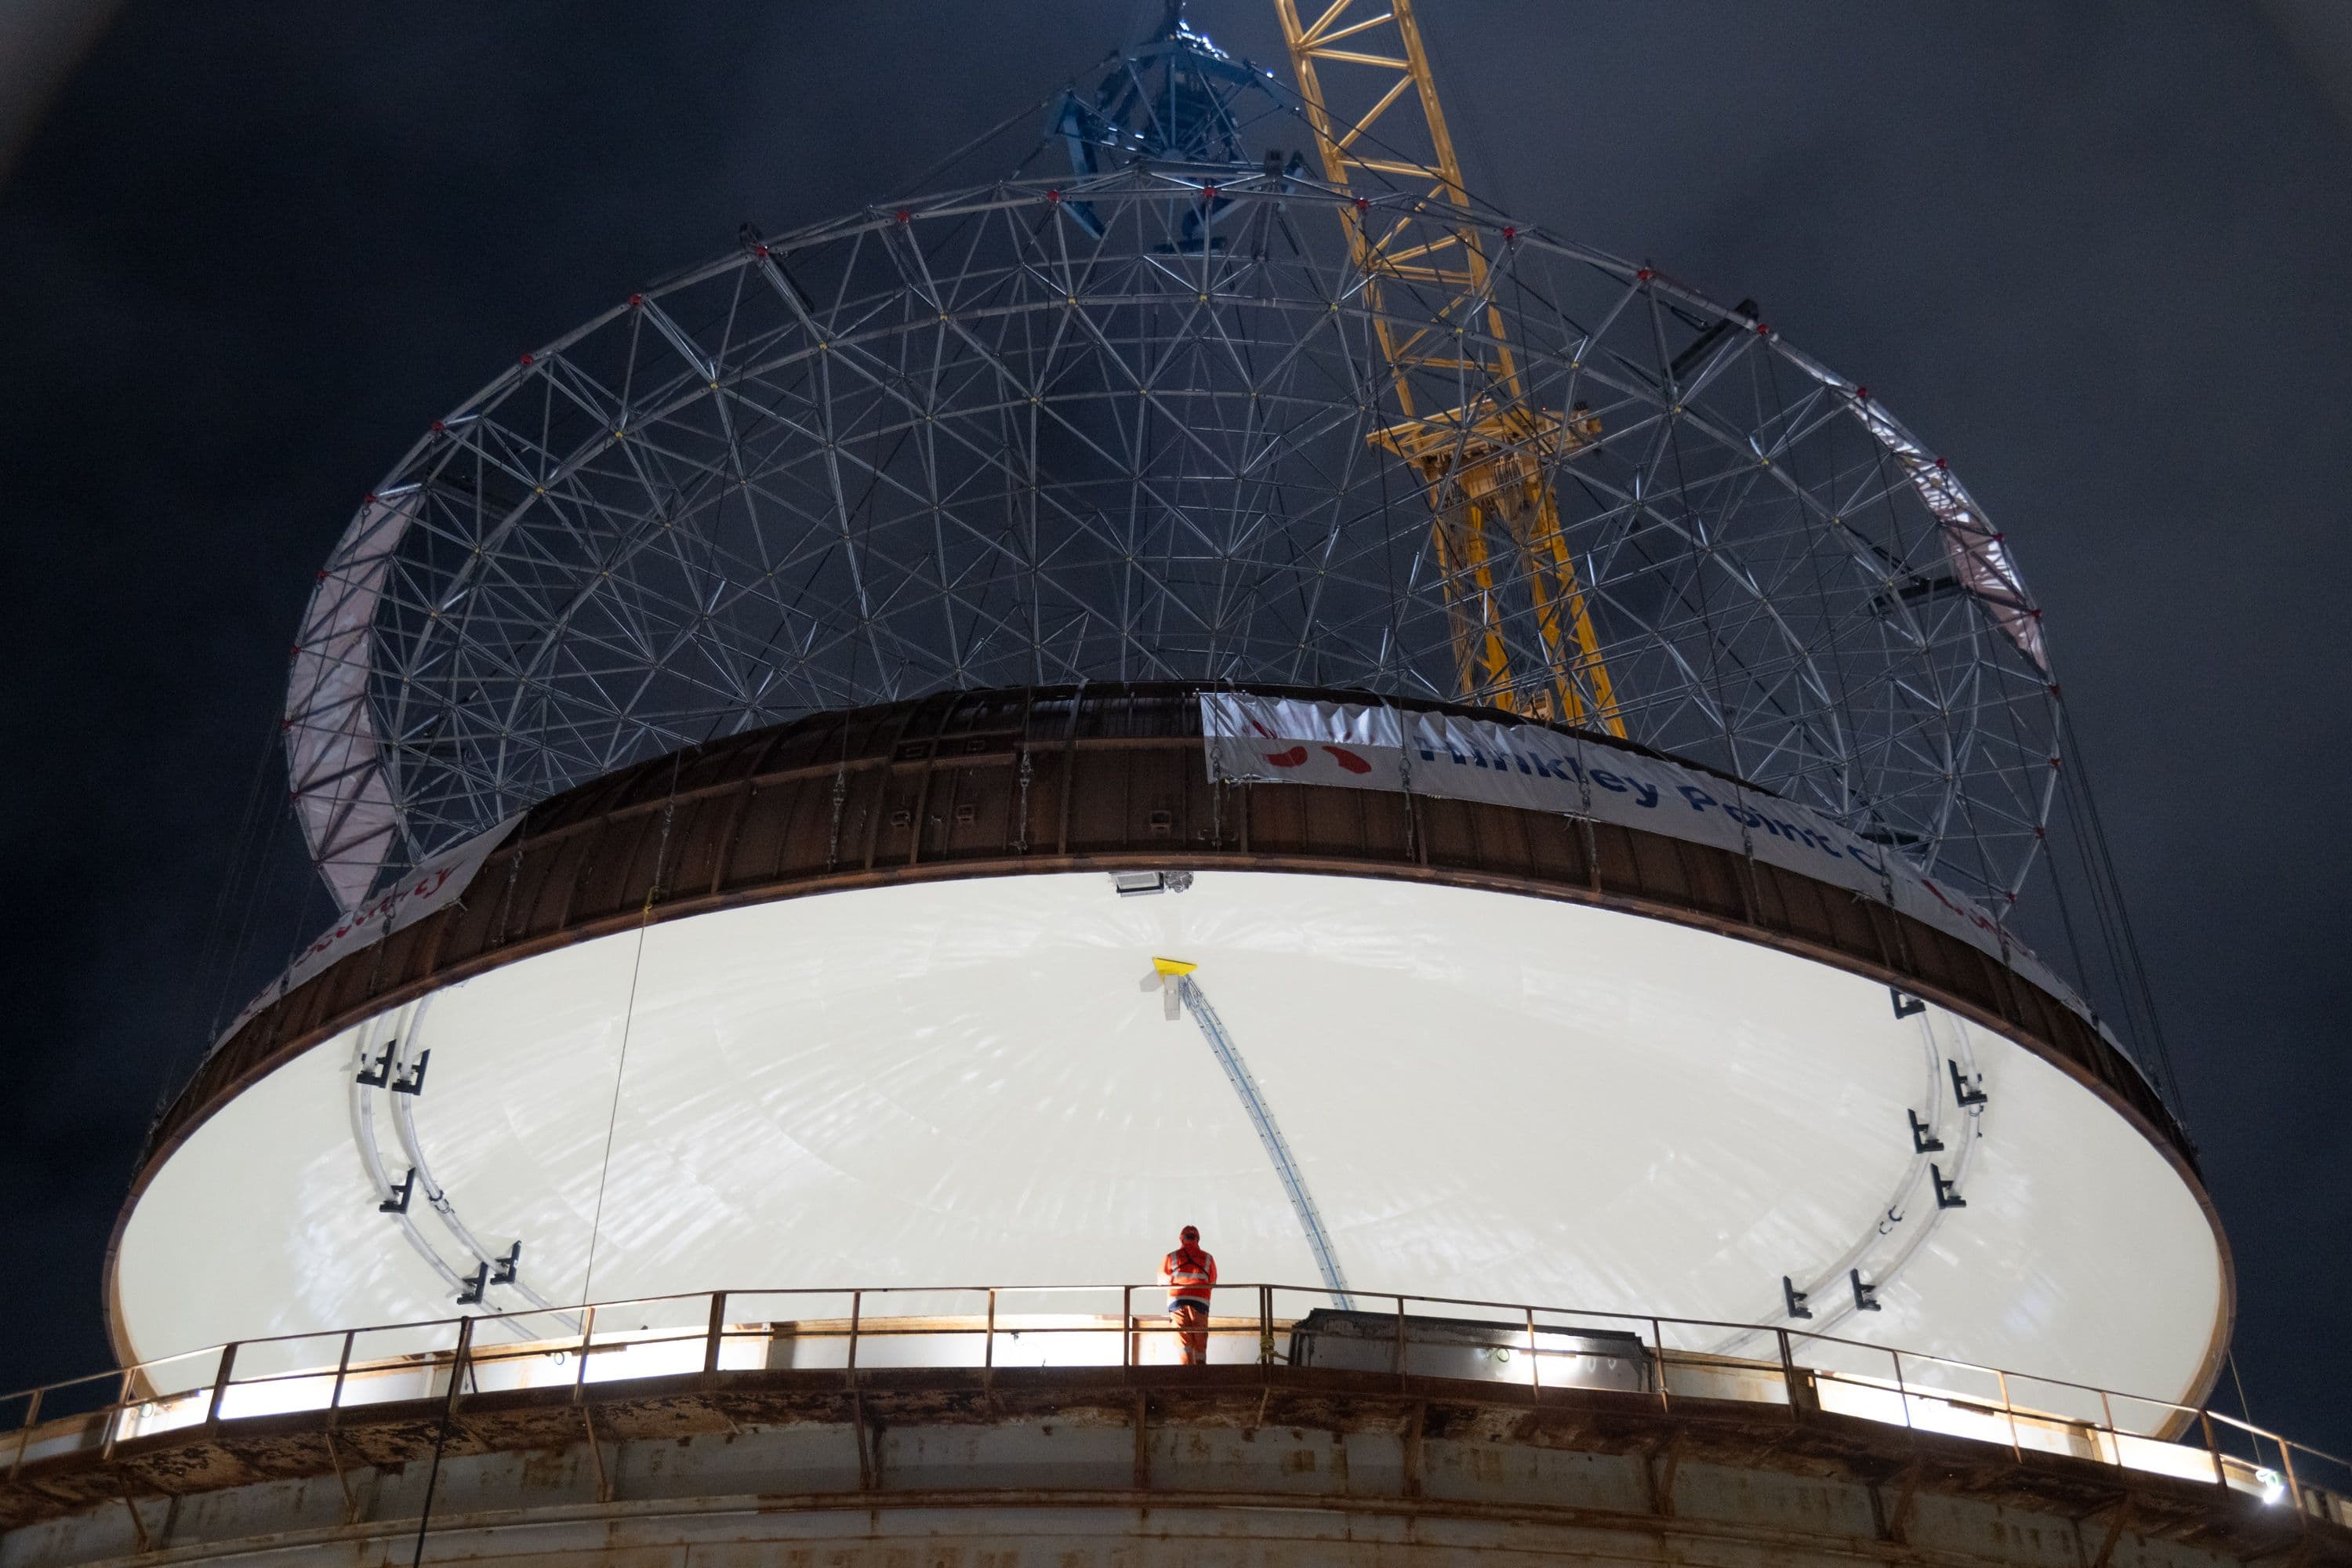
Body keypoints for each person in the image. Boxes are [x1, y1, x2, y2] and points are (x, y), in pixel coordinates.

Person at [1160, 1224, 1217, 1365]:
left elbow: (1161, 1281)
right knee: (1200, 1343)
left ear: (1181, 1239)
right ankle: (1201, 1374)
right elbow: (1213, 1281)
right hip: (1200, 1303)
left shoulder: (1171, 1257)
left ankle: (1185, 1373)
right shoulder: (1208, 1258)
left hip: (1177, 1303)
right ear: (1198, 1239)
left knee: (1184, 1343)